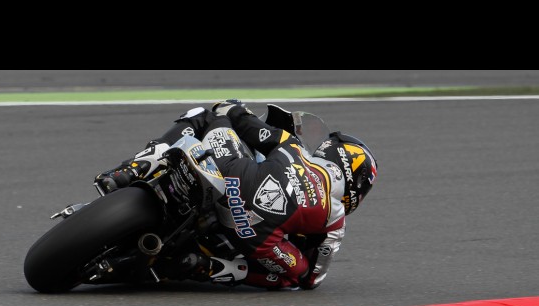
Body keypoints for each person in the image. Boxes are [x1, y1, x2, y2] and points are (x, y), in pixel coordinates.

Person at [94, 100, 378, 290]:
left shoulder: (293, 147)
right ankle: (206, 266)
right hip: (255, 236)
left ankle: (130, 170)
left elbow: (243, 123)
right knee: (290, 278)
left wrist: (231, 107)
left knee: (202, 116)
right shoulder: (336, 220)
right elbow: (312, 277)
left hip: (233, 176)